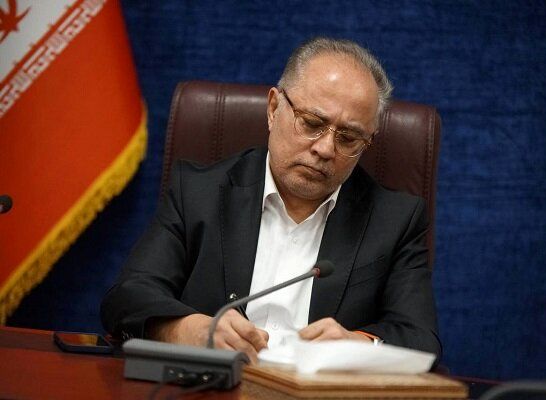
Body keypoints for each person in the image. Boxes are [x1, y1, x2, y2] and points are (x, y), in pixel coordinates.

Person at [101, 37, 441, 364]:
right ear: (274, 108)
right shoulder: (197, 192)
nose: (325, 149)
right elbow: (127, 297)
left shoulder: (396, 221)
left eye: (349, 138)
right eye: (312, 123)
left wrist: (359, 346)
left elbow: (421, 339)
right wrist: (186, 331)